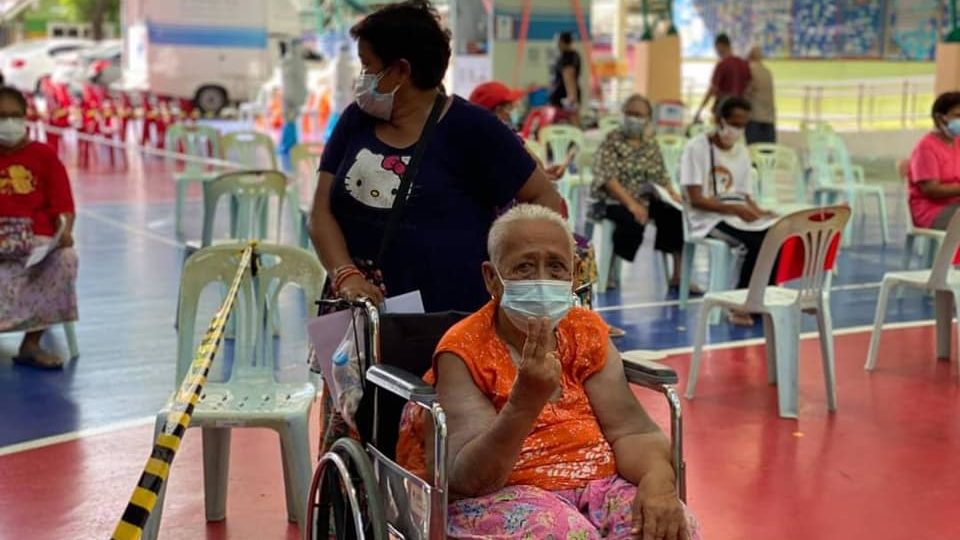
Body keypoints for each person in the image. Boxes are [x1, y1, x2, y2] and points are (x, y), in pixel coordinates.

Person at [312, 0, 564, 450]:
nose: (362, 78)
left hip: (444, 326)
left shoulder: (473, 129)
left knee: (426, 445)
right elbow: (321, 212)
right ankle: (351, 519)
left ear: (401, 70)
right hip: (357, 318)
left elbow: (547, 202)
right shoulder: (356, 121)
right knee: (353, 434)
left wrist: (515, 268)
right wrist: (345, 274)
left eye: (368, 65)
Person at [395, 204, 700, 539]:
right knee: (564, 532)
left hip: (597, 484)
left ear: (574, 275)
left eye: (556, 267)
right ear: (491, 279)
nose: (542, 280)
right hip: (503, 495)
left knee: (669, 525)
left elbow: (632, 431)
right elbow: (466, 477)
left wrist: (658, 480)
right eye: (525, 267)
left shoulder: (584, 331)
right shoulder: (464, 349)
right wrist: (524, 404)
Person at [0, 86, 77, 369]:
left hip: (36, 243)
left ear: (24, 117)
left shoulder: (44, 156)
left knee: (66, 260)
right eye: (2, 116)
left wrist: (66, 232)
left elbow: (65, 208)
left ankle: (31, 344)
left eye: (14, 115)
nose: (8, 123)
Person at [680, 97, 775, 326]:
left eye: (742, 125)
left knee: (774, 236)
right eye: (733, 123)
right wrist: (734, 209)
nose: (736, 130)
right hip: (706, 219)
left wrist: (761, 213)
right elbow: (695, 199)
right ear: (718, 120)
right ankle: (738, 306)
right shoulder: (696, 148)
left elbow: (745, 196)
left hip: (735, 214)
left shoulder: (741, 152)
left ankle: (760, 297)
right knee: (751, 243)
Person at [592, 94, 693, 292]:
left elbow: (661, 176)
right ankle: (611, 271)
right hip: (613, 200)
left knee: (675, 214)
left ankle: (678, 275)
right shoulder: (611, 140)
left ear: (647, 118)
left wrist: (672, 195)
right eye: (629, 113)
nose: (633, 118)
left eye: (638, 115)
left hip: (645, 199)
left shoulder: (650, 144)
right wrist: (632, 204)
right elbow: (608, 179)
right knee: (629, 219)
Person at [907, 91, 960, 230]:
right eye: (957, 116)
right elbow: (931, 190)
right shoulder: (926, 148)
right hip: (932, 212)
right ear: (940, 119)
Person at [693, 34, 751, 124]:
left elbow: (713, 89)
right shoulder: (744, 64)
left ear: (720, 46)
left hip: (724, 111)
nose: (717, 52)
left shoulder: (722, 65)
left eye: (716, 48)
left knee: (720, 136)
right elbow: (748, 86)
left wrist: (700, 108)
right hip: (740, 111)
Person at [549, 31, 582, 127]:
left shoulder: (568, 56)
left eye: (558, 41)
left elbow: (569, 75)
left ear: (562, 42)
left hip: (565, 97)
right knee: (570, 122)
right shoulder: (571, 55)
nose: (557, 44)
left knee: (572, 122)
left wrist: (571, 97)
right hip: (564, 96)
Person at [744, 46, 776, 144]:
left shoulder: (749, 70)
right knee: (768, 155)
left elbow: (746, 93)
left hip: (754, 119)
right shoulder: (768, 72)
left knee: (754, 154)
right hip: (769, 119)